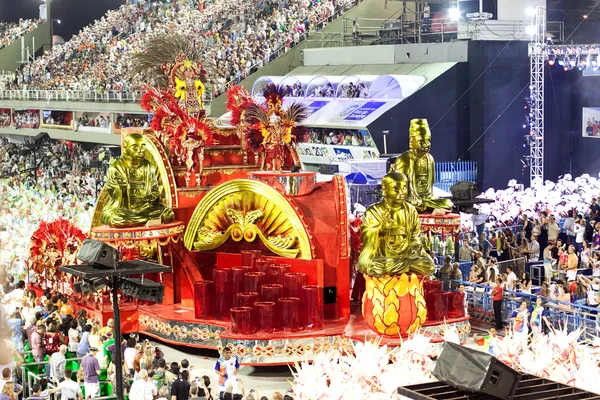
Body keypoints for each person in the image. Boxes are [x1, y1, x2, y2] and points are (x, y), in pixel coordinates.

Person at [357, 172, 435, 277]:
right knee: (369, 265)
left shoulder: (411, 210)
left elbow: (414, 236)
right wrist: (383, 229)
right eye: (396, 189)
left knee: (429, 266)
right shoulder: (373, 211)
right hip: (383, 257)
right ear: (385, 190)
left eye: (404, 188)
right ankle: (401, 266)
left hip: (405, 256)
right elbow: (368, 240)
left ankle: (400, 266)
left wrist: (415, 246)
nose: (401, 193)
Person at [100, 133, 175, 227]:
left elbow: (154, 191)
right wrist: (120, 188)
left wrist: (148, 201)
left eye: (142, 147)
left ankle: (139, 220)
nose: (140, 151)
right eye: (135, 148)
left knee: (168, 214)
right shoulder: (116, 168)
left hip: (145, 208)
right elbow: (114, 197)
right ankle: (140, 220)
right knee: (115, 217)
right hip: (125, 209)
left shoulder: (149, 167)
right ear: (126, 147)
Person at [392, 119, 453, 212]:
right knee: (408, 205)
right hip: (409, 198)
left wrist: (427, 198)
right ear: (411, 141)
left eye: (428, 141)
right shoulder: (404, 159)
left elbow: (430, 187)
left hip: (426, 198)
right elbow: (397, 186)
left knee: (448, 203)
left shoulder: (430, 158)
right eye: (421, 141)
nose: (426, 145)